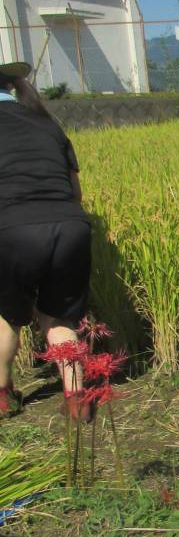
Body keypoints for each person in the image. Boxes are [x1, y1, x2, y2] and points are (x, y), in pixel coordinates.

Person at [0, 61, 93, 421]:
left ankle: (4, 397)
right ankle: (77, 399)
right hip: (70, 227)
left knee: (7, 316)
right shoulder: (46, 124)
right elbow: (75, 192)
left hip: (10, 228)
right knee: (59, 317)